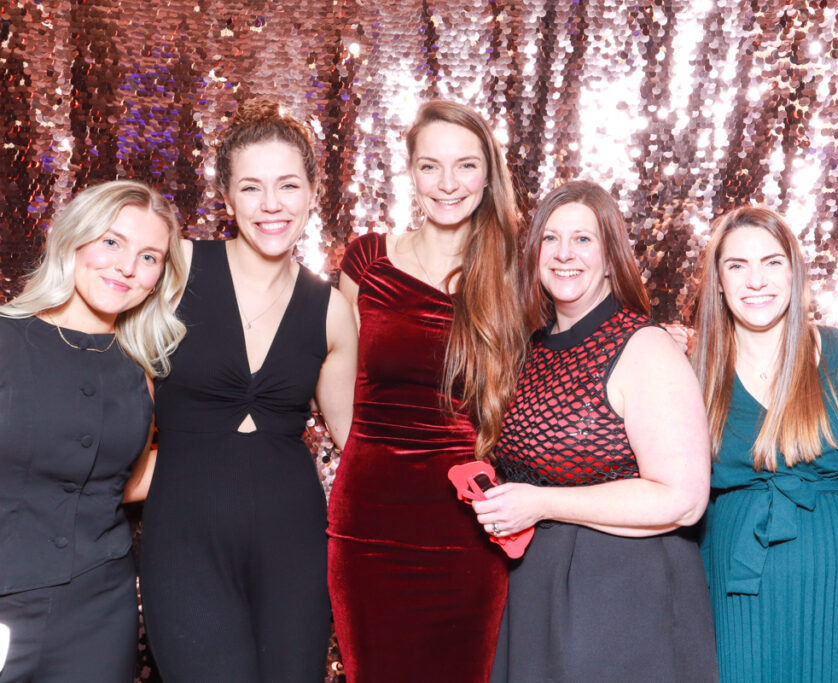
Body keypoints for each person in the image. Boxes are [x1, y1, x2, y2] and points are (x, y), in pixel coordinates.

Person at [138, 99, 357, 682]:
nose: (271, 205)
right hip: (184, 538)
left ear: (313, 193)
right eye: (252, 187)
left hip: (294, 540)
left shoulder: (330, 310)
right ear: (227, 198)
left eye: (288, 185)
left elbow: (356, 441)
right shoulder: (174, 269)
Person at [474, 180, 718, 682]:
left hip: (624, 600)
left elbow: (683, 499)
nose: (565, 254)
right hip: (537, 591)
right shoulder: (532, 350)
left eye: (584, 239)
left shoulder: (645, 346)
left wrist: (542, 503)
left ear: (611, 258)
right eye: (551, 239)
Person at [326, 100, 525, 682]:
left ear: (488, 173)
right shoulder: (366, 260)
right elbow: (339, 387)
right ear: (410, 172)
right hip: (370, 522)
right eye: (430, 165)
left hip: (467, 529)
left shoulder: (512, 269)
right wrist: (373, 462)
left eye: (465, 166)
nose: (447, 183)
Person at [691, 206, 838, 682]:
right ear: (718, 282)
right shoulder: (691, 375)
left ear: (795, 271)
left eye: (771, 262)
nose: (756, 281)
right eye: (737, 266)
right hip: (735, 588)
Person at [0, 180, 187, 682]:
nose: (127, 267)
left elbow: (127, 480)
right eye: (112, 242)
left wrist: (233, 451)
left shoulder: (140, 366)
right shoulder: (6, 338)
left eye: (149, 257)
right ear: (73, 241)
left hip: (99, 607)